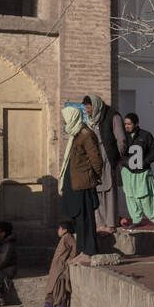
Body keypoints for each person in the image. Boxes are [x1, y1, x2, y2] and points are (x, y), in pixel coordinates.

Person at [59, 105, 103, 264]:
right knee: (78, 218)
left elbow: (96, 160)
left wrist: (94, 178)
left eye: (66, 119)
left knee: (86, 218)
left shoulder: (86, 134)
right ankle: (81, 250)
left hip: (83, 183)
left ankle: (89, 251)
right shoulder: (75, 134)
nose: (64, 122)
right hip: (74, 183)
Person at [83, 94, 126, 233]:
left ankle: (111, 223)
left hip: (108, 156)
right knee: (99, 190)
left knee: (110, 190)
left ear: (95, 106)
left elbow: (121, 140)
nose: (88, 112)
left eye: (89, 109)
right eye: (87, 109)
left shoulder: (113, 116)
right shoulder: (93, 119)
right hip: (95, 157)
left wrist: (115, 158)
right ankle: (101, 223)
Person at [119, 112, 154, 227]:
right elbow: (117, 152)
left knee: (146, 196)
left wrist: (145, 162)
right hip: (128, 172)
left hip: (142, 172)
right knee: (130, 196)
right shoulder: (122, 136)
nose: (126, 126)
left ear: (136, 124)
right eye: (125, 124)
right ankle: (136, 219)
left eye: (129, 124)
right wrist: (125, 162)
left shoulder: (145, 135)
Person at [43, 218, 76, 307]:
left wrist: (71, 259)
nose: (58, 230)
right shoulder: (64, 238)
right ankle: (50, 305)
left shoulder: (68, 237)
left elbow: (74, 248)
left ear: (65, 229)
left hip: (60, 267)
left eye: (59, 228)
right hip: (56, 267)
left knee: (58, 287)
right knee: (52, 287)